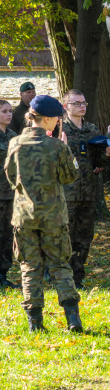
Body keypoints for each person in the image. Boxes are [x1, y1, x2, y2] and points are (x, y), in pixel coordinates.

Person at [4, 95, 81, 332]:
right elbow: (70, 176)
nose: (59, 121)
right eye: (57, 117)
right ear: (47, 119)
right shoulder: (57, 146)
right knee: (60, 265)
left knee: (29, 267)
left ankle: (34, 322)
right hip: (53, 216)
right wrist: (67, 149)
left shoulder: (15, 143)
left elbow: (10, 177)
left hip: (24, 216)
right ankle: (72, 319)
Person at [60, 89, 110, 289]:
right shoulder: (60, 128)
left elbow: (98, 162)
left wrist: (106, 155)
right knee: (66, 236)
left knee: (84, 237)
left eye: (83, 103)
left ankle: (78, 277)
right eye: (76, 103)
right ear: (66, 107)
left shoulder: (91, 129)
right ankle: (62, 277)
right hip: (66, 192)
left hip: (88, 193)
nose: (82, 106)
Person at [0, 100, 19, 289]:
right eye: (4, 111)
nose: (9, 114)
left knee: (7, 236)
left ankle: (3, 274)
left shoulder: (14, 136)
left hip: (10, 193)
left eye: (10, 111)